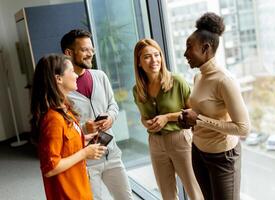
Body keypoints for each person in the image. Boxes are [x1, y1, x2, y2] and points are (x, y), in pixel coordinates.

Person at [179, 12, 251, 200]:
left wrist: (199, 120)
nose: (185, 53)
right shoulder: (198, 76)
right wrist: (190, 121)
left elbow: (243, 128)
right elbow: (202, 112)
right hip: (199, 152)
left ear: (206, 48)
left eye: (189, 47)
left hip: (223, 157)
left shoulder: (225, 81)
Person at [61, 29, 133, 200]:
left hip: (112, 154)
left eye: (91, 49)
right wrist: (85, 128)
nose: (90, 54)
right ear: (69, 53)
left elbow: (113, 105)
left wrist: (111, 117)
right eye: (85, 50)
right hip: (86, 161)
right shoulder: (63, 89)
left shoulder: (100, 76)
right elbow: (63, 128)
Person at [133, 38, 203, 200]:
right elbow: (144, 117)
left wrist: (167, 118)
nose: (154, 60)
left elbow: (194, 112)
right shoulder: (137, 90)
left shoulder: (177, 81)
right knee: (167, 194)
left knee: (194, 191)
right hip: (155, 144)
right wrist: (147, 123)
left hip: (179, 140)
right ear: (138, 62)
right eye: (147, 57)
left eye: (157, 55)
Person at [30, 54, 106, 200]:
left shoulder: (65, 108)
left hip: (79, 187)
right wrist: (84, 153)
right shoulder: (53, 119)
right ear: (58, 79)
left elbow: (64, 148)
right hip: (68, 194)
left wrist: (83, 140)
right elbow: (50, 168)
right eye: (71, 71)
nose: (76, 75)